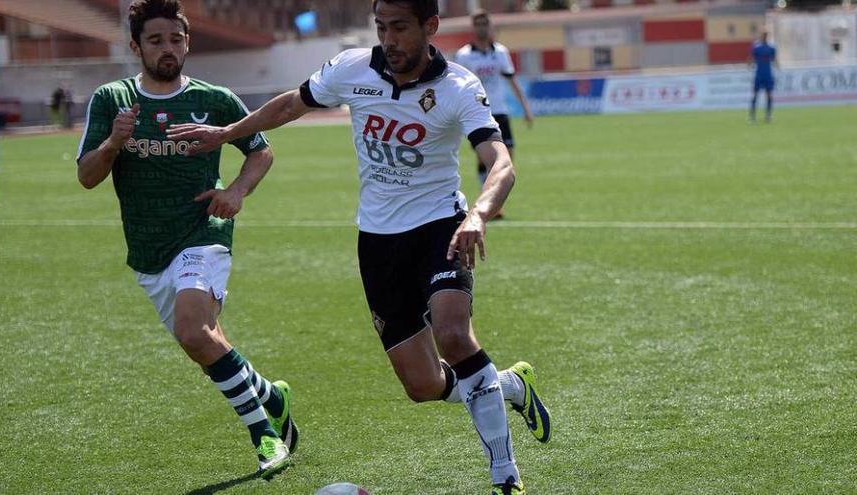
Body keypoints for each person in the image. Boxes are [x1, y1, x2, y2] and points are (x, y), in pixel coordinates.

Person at [167, 1, 550, 493]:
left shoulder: (458, 86)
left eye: (400, 28)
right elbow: (290, 105)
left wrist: (476, 215)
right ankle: (509, 385)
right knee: (423, 386)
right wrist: (227, 133)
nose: (389, 39)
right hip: (378, 242)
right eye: (381, 27)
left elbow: (500, 163)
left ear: (429, 27)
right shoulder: (352, 68)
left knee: (454, 335)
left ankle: (506, 477)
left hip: (441, 227)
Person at [76, 0, 297, 479]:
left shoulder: (216, 99)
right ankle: (272, 396)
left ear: (187, 42)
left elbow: (261, 151)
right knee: (205, 345)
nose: (168, 49)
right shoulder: (111, 99)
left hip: (204, 231)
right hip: (148, 249)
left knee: (194, 330)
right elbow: (87, 177)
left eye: (175, 39)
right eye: (156, 41)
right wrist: (115, 142)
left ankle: (266, 437)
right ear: (136, 46)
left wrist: (236, 192)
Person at [455, 9, 533, 218]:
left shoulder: (499, 52)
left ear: (490, 26)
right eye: (478, 24)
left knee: (508, 156)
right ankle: (491, 204)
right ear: (474, 27)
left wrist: (525, 108)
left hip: (500, 110)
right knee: (485, 158)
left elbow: (511, 80)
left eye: (484, 23)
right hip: (477, 112)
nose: (481, 27)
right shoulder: (464, 55)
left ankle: (492, 200)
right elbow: (457, 86)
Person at [749, 31, 777, 123]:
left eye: (766, 35)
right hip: (759, 74)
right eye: (763, 35)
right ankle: (752, 117)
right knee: (755, 95)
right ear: (761, 36)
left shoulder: (771, 47)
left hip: (768, 74)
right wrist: (750, 64)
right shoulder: (756, 47)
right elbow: (751, 58)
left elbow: (774, 59)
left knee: (769, 95)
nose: (764, 37)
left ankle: (768, 116)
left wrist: (778, 67)